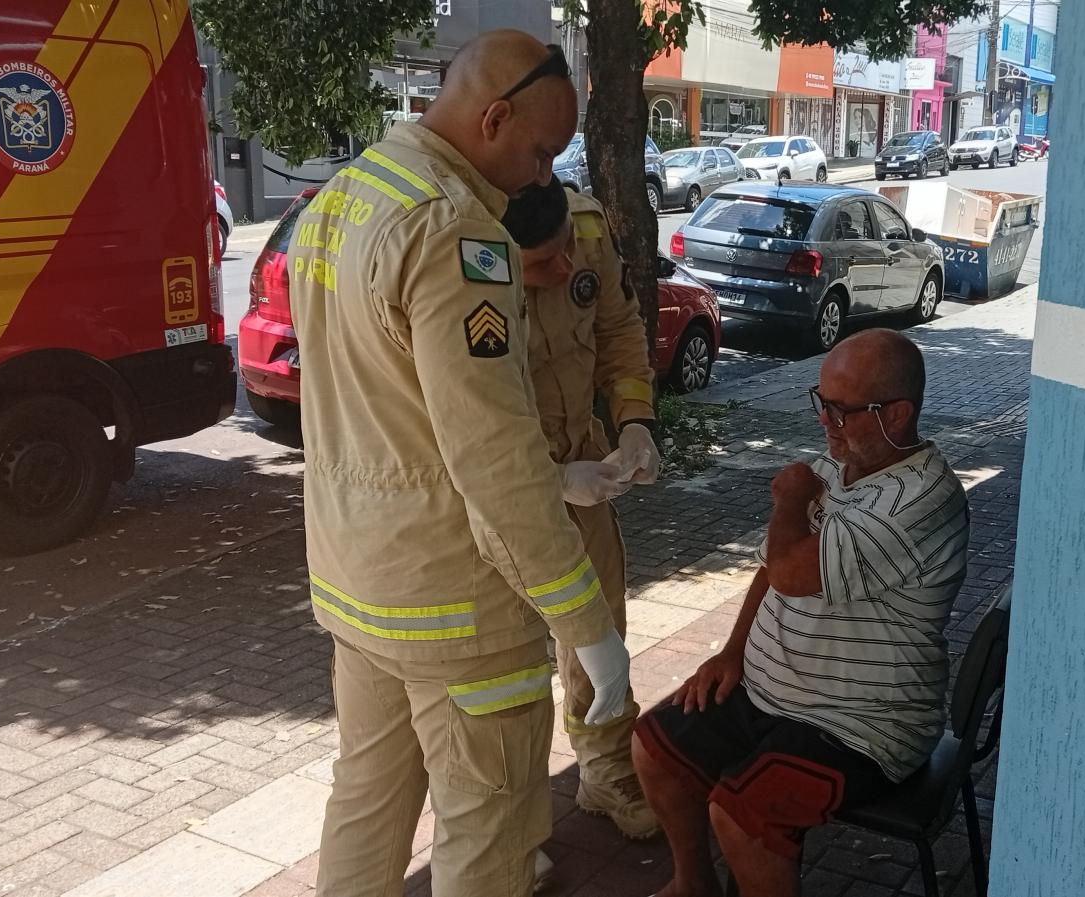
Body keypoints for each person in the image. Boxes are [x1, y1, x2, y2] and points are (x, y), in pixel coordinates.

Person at [288, 30, 630, 897]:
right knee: (490, 832)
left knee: (366, 801)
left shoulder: (343, 198)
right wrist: (589, 627)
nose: (545, 174)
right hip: (458, 605)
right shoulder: (457, 233)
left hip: (358, 579)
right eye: (542, 150)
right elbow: (499, 462)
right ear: (493, 117)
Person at [632, 330, 971, 897]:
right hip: (771, 690)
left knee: (741, 813)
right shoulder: (838, 466)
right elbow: (771, 569)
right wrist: (732, 652)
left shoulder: (919, 499)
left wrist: (790, 498)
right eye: (821, 404)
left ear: (898, 412)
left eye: (841, 411)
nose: (825, 423)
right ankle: (693, 885)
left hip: (862, 722)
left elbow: (790, 571)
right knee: (654, 746)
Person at [500, 180, 661, 841]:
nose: (567, 267)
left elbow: (619, 328)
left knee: (599, 630)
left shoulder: (585, 227)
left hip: (585, 460)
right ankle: (511, 824)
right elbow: (445, 412)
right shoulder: (458, 254)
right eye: (545, 262)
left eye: (568, 248)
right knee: (506, 656)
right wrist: (549, 479)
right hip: (498, 489)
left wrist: (634, 422)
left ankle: (605, 770)